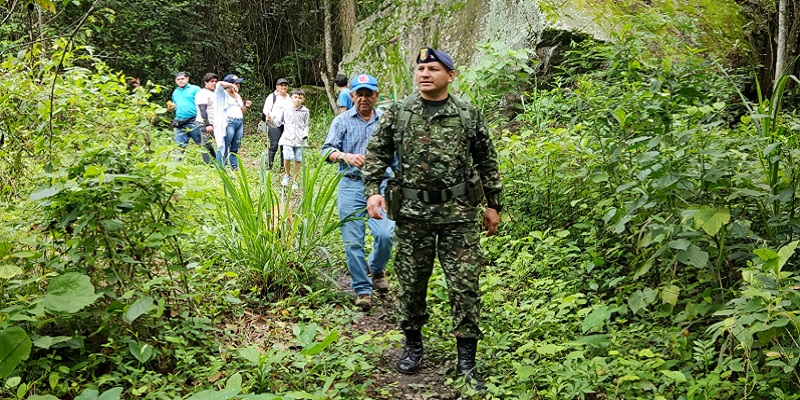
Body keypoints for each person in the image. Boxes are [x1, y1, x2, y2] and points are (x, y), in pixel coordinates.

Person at [362, 48, 503, 389]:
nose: (424, 73)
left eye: (433, 68)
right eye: (421, 68)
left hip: (458, 214)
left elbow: (487, 160)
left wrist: (494, 204)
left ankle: (466, 360)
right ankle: (412, 346)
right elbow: (377, 152)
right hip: (412, 215)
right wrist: (372, 190)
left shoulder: (467, 114)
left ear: (451, 75)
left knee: (465, 286)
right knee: (412, 284)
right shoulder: (400, 111)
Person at [321, 73, 395, 311]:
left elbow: (396, 155)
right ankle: (362, 289)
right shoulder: (341, 121)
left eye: (368, 94)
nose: (363, 99)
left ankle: (376, 266)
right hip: (351, 184)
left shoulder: (385, 121)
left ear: (376, 96)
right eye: (359, 94)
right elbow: (326, 152)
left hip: (382, 185)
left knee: (385, 234)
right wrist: (346, 156)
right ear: (351, 95)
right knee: (353, 241)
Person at [213, 74, 252, 171]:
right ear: (229, 84)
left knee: (235, 145)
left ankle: (234, 166)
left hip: (239, 122)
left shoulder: (237, 95)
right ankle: (222, 166)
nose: (238, 85)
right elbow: (219, 84)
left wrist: (246, 106)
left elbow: (240, 111)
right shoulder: (222, 94)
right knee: (224, 144)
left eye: (238, 84)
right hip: (228, 122)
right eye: (236, 83)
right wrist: (229, 86)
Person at [275, 89, 310, 190]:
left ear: (303, 99)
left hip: (300, 139)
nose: (297, 99)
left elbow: (306, 125)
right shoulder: (286, 109)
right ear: (291, 98)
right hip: (287, 137)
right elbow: (278, 122)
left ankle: (294, 180)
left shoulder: (305, 111)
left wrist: (305, 134)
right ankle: (287, 175)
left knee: (298, 159)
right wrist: (270, 119)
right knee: (287, 156)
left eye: (300, 97)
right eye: (295, 97)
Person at [167, 72, 202, 161]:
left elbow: (203, 102)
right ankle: (176, 166)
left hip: (194, 121)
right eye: (178, 79)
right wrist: (170, 109)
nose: (180, 81)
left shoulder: (195, 89)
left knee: (203, 143)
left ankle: (212, 163)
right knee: (178, 146)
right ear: (175, 81)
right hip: (179, 122)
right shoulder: (175, 92)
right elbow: (175, 107)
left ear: (187, 79)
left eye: (182, 79)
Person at [262, 78, 293, 170]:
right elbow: (266, 109)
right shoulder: (272, 97)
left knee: (285, 145)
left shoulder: (289, 98)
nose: (284, 87)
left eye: (285, 85)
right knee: (274, 144)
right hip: (274, 123)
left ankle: (283, 167)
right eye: (281, 85)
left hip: (286, 124)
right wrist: (268, 116)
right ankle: (269, 166)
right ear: (277, 87)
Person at [194, 72, 221, 164]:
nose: (214, 83)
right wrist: (207, 124)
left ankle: (216, 161)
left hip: (216, 122)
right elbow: (202, 110)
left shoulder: (215, 93)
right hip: (205, 122)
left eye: (216, 81)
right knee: (206, 143)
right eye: (211, 81)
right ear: (206, 82)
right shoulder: (203, 93)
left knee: (219, 142)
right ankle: (209, 163)